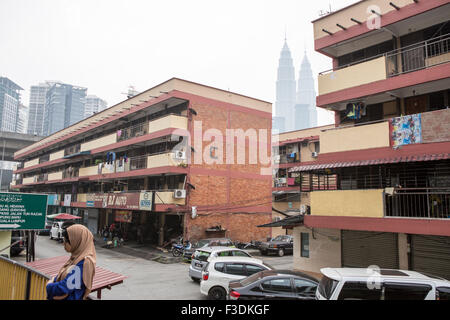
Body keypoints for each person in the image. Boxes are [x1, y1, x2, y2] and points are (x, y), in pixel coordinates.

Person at [46, 224, 96, 300]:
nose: (63, 244)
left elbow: (64, 287)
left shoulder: (84, 263)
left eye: (65, 241)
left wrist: (49, 285)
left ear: (76, 242)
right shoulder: (76, 258)